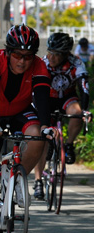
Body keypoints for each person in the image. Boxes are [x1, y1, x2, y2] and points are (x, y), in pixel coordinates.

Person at [0, 24, 54, 233]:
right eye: (18, 55)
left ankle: (18, 178)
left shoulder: (39, 66)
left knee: (37, 135)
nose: (22, 61)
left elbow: (41, 98)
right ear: (8, 52)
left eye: (28, 56)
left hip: (20, 109)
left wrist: (47, 125)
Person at [32, 32, 90, 200]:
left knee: (77, 113)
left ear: (65, 54)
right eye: (50, 51)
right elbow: (35, 89)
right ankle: (38, 182)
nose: (51, 56)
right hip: (47, 99)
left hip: (66, 98)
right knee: (42, 141)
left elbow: (83, 86)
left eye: (56, 54)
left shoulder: (76, 63)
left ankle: (69, 145)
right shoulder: (43, 63)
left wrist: (85, 110)